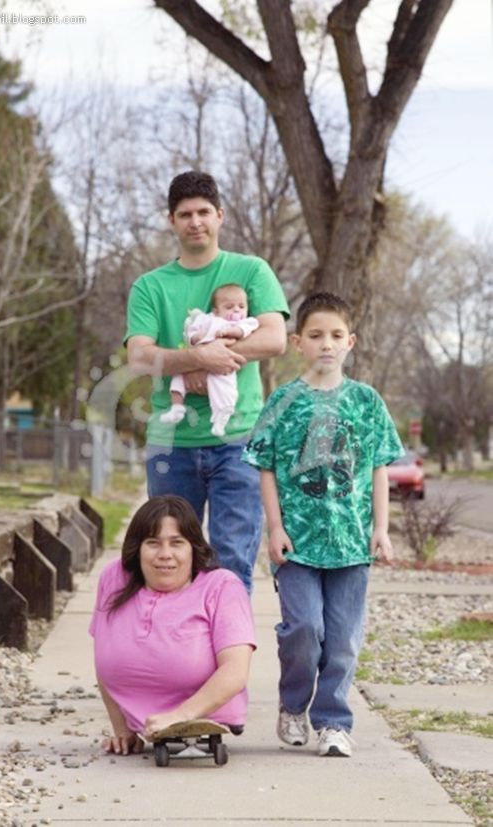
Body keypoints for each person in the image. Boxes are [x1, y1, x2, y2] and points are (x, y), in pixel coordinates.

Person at [243, 292, 404, 757]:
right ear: (298, 342)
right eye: (316, 335)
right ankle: (293, 705)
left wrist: (381, 527)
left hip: (351, 544)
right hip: (297, 544)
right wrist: (275, 528)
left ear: (350, 341)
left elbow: (378, 469)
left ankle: (333, 722)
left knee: (343, 642)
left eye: (336, 336)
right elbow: (266, 466)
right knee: (303, 630)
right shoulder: (283, 401)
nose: (326, 344)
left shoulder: (366, 402)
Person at [125, 170, 289, 593]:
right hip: (172, 444)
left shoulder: (251, 271)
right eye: (184, 214)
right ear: (171, 220)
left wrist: (213, 363)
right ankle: (177, 654)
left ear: (220, 215)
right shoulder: (150, 287)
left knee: (232, 560)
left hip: (238, 442)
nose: (194, 221)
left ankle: (230, 657)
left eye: (203, 212)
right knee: (169, 561)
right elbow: (139, 356)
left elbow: (274, 338)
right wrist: (197, 356)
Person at [89, 495, 256, 755]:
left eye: (177, 543)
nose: (165, 554)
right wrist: (122, 729)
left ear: (193, 548)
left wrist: (180, 715)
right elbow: (104, 656)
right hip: (144, 725)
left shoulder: (222, 586)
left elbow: (235, 671)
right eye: (153, 543)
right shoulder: (114, 577)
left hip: (205, 716)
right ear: (138, 548)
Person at [160, 283, 259, 437]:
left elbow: (245, 330)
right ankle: (177, 408)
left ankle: (221, 420)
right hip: (195, 363)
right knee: (178, 377)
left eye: (241, 306)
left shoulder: (244, 322)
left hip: (220, 365)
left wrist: (232, 330)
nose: (236, 310)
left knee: (224, 389)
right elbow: (191, 332)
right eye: (229, 306)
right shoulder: (206, 319)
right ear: (216, 311)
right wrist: (195, 337)